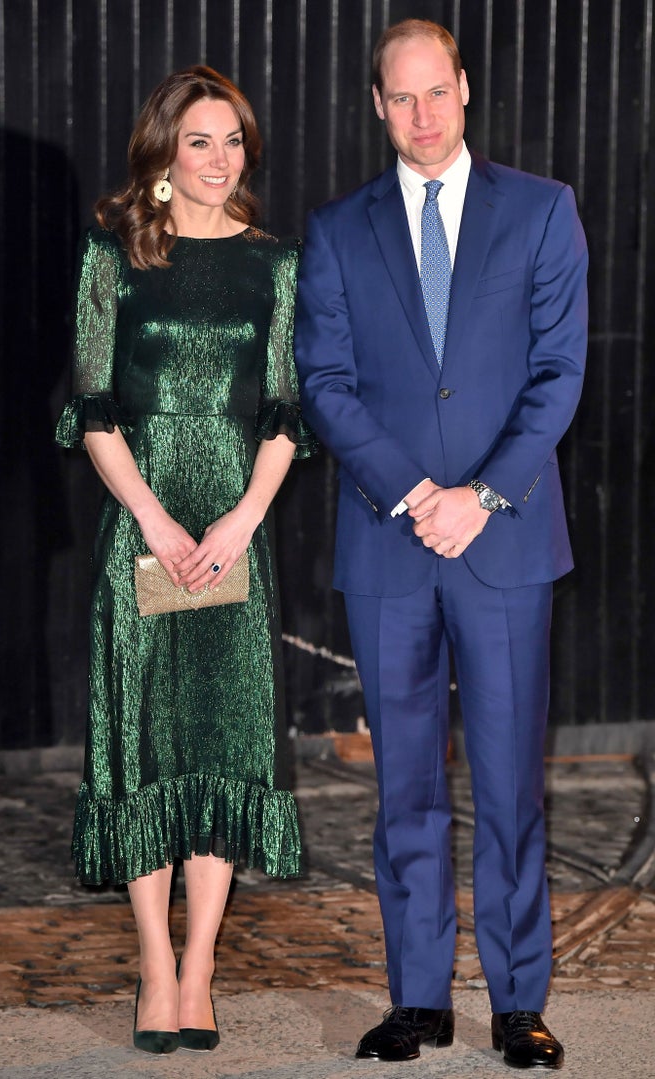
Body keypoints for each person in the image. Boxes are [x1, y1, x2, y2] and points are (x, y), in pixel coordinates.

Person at [295, 18, 587, 1071]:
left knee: (512, 780)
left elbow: (559, 372)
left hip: (503, 540)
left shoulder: (544, 211)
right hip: (388, 542)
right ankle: (418, 996)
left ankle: (519, 999)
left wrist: (483, 496)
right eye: (401, 98)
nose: (424, 116)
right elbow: (324, 383)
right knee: (405, 783)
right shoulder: (337, 229)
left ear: (465, 87)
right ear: (377, 104)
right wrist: (420, 492)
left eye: (439, 92)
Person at [56, 66, 315, 1056]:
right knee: (145, 744)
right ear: (163, 153)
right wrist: (158, 522)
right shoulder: (111, 254)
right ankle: (153, 964)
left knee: (222, 744)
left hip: (234, 537)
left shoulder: (275, 263)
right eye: (201, 141)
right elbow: (91, 406)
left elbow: (288, 408)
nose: (220, 160)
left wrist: (244, 516)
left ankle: (199, 964)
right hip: (146, 526)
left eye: (235, 141)